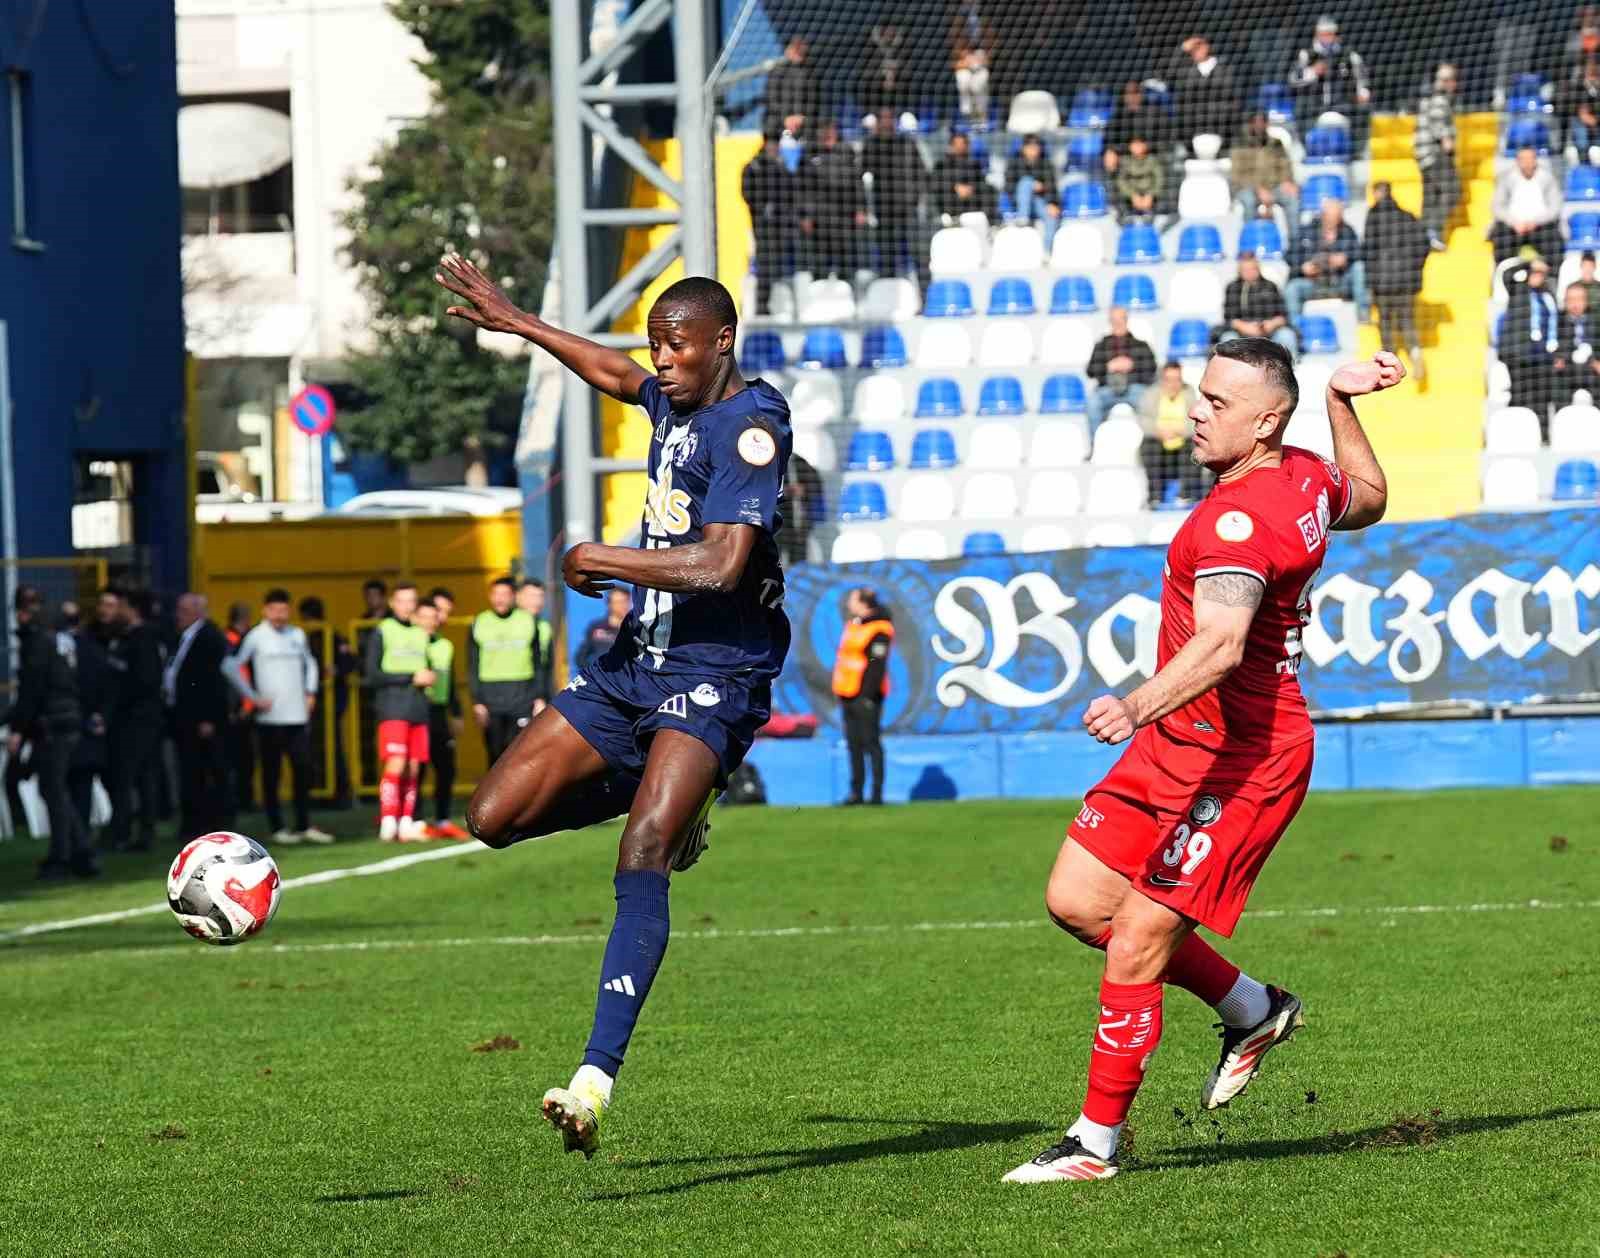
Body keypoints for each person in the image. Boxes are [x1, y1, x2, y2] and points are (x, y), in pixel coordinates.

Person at [1003, 339, 1402, 1185]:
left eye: (1217, 404)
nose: (1193, 409)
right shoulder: (1298, 475)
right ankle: (1254, 1008)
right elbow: (1365, 496)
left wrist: (1133, 703)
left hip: (1244, 760)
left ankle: (1093, 1146)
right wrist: (1341, 402)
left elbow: (1221, 646)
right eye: (1199, 394)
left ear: (1263, 420)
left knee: (1138, 941)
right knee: (1076, 901)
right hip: (1177, 747)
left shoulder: (1238, 518)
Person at [436, 255, 791, 1159]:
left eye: (676, 348)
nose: (660, 363)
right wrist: (519, 320)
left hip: (717, 669)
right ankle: (672, 802)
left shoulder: (750, 424)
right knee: (492, 816)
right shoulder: (671, 396)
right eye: (656, 348)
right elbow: (611, 372)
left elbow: (720, 565)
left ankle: (592, 1081)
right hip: (635, 666)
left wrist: (603, 560)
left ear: (722, 343)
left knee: (643, 854)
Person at [223, 588, 330, 845]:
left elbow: (311, 663)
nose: (280, 615)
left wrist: (310, 691)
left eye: (284, 610)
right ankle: (277, 826)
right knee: (271, 774)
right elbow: (230, 666)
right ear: (265, 611)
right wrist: (252, 696)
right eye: (275, 610)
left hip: (297, 716)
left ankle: (304, 824)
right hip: (269, 719)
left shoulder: (296, 634)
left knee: (302, 771)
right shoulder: (256, 637)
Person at [6, 597, 97, 878]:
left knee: (54, 790)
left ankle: (63, 857)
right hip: (67, 719)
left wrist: (18, 728)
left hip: (52, 724)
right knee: (56, 790)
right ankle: (80, 851)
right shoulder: (62, 641)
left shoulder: (38, 644)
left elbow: (32, 689)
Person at [364, 581, 434, 842]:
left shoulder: (421, 633)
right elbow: (371, 674)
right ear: (393, 603)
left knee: (414, 768)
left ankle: (406, 820)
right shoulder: (383, 630)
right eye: (402, 601)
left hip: (418, 707)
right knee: (397, 763)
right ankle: (388, 820)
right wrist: (409, 677)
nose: (407, 606)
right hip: (393, 706)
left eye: (411, 601)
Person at [165, 593, 232, 843]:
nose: (178, 614)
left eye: (183, 610)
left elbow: (211, 681)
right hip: (185, 716)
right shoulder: (185, 636)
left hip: (201, 719)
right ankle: (196, 822)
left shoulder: (209, 637)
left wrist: (208, 718)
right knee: (191, 771)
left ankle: (212, 823)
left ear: (198, 611)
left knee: (206, 769)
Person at [103, 587, 165, 851]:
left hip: (137, 720)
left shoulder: (142, 639)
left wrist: (120, 700)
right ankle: (136, 831)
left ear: (132, 608)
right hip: (137, 718)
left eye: (121, 606)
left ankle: (126, 832)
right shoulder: (127, 637)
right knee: (139, 777)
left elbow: (145, 681)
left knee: (129, 777)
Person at [470, 576, 542, 766]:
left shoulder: (528, 621)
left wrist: (539, 697)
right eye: (496, 594)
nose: (500, 599)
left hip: (521, 696)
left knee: (519, 752)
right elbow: (472, 664)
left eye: (505, 594)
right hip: (491, 698)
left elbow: (538, 663)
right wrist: (477, 701)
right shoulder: (479, 622)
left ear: (513, 597)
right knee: (494, 754)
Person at [832, 588, 892, 806]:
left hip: (866, 695)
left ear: (863, 603)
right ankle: (856, 792)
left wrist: (867, 695)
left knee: (871, 743)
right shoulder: (855, 624)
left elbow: (877, 664)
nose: (848, 603)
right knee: (853, 744)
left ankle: (876, 795)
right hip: (847, 691)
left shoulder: (880, 628)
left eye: (852, 599)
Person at [1365, 182, 1430, 383]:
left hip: (1383, 282)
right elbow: (1424, 245)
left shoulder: (1374, 217)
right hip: (1405, 281)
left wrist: (1371, 280)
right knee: (1406, 320)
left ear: (1377, 193)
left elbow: (1368, 250)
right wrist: (1414, 270)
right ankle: (1416, 355)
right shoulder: (1407, 216)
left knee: (1385, 322)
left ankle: (1387, 366)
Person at [416, 597, 468, 840]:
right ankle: (414, 821)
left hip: (438, 713)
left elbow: (450, 682)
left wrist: (456, 713)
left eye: (432, 617)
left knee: (446, 767)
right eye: (424, 617)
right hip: (415, 711)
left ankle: (442, 818)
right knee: (417, 769)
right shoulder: (411, 644)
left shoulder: (444, 645)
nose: (429, 622)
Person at [65, 600, 112, 850]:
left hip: (72, 730)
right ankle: (81, 842)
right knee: (81, 790)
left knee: (67, 791)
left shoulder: (62, 652)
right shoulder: (95, 652)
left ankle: (74, 844)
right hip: (89, 730)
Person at [299, 595, 353, 807]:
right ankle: (325, 793)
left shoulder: (329, 636)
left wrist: (335, 670)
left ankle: (336, 793)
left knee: (329, 748)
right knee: (320, 749)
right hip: (317, 703)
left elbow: (349, 661)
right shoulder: (317, 636)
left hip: (326, 703)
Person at [1289, 15, 1371, 152]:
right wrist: (1312, 72)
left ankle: (1357, 154)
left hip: (1343, 105)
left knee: (1363, 112)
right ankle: (1307, 153)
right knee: (1299, 111)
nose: (1327, 38)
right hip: (1314, 106)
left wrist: (1363, 93)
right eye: (1324, 34)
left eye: (1330, 34)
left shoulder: (1349, 55)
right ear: (1317, 34)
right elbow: (1292, 79)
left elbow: (1362, 79)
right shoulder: (1306, 54)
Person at [1500, 255, 1561, 428]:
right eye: (1535, 273)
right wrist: (1528, 263)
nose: (1538, 277)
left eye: (1541, 274)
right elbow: (1505, 274)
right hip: (1518, 354)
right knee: (1519, 395)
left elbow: (1554, 324)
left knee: (1541, 397)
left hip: (1541, 356)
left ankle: (1542, 435)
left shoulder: (1548, 295)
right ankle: (1512, 431)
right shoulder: (1517, 290)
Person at [1285, 198, 1369, 324]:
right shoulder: (1306, 231)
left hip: (1340, 282)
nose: (1337, 220)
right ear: (1323, 215)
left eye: (1338, 217)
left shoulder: (1347, 231)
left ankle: (1363, 316)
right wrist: (1303, 268)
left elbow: (1360, 252)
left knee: (1359, 267)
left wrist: (1345, 258)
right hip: (1313, 283)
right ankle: (1296, 327)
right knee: (1292, 288)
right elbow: (1289, 256)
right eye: (1333, 217)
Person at [801, 122, 867, 276]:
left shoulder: (847, 151)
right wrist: (805, 216)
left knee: (847, 265)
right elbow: (803, 188)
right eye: (824, 128)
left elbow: (857, 183)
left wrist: (860, 210)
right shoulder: (810, 153)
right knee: (820, 266)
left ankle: (848, 292)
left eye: (831, 128)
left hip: (844, 217)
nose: (828, 132)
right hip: (820, 220)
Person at [742, 130, 797, 315]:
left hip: (782, 227)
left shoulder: (781, 167)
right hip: (763, 228)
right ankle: (763, 307)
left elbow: (790, 193)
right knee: (765, 266)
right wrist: (765, 208)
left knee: (782, 267)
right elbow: (748, 195)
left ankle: (784, 308)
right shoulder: (754, 167)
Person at [1136, 362, 1204, 505]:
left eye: (1177, 379)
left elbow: (1196, 421)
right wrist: (1159, 432)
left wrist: (1179, 431)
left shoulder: (1188, 393)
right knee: (1149, 446)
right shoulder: (1151, 394)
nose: (1173, 384)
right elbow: (1143, 419)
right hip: (1159, 441)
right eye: (1169, 380)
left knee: (1195, 446)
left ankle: (1187, 494)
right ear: (1162, 380)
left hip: (1182, 441)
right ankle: (1155, 496)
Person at [1489, 148, 1565, 266]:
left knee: (1555, 245)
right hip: (1513, 227)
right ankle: (1503, 278)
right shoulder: (1506, 178)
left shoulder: (1547, 178)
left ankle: (1552, 278)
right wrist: (1513, 222)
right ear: (1517, 161)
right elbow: (1497, 206)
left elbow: (1555, 207)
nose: (1527, 162)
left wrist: (1536, 222)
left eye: (1530, 159)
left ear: (1535, 160)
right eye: (1523, 159)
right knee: (1501, 243)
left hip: (1540, 226)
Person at [1087, 307, 1158, 429]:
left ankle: (1148, 443)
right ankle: (1096, 444)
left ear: (1126, 320)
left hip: (1134, 388)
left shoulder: (1141, 345)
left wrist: (1133, 365)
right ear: (1110, 321)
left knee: (1148, 402)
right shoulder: (1101, 346)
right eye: (1114, 320)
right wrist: (1108, 366)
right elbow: (1090, 371)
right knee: (1092, 403)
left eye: (1121, 319)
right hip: (1107, 389)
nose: (1118, 323)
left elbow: (1152, 369)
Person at [1415, 64, 1460, 252]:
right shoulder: (1440, 99)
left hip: (1422, 155)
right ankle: (1433, 230)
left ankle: (1426, 233)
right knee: (1452, 190)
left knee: (1431, 195)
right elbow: (1437, 122)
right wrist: (1446, 141)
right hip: (1434, 153)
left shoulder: (1428, 98)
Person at [1170, 34, 1238, 153]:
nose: (1196, 50)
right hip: (1192, 133)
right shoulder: (1186, 71)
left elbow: (1229, 95)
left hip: (1221, 132)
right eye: (1193, 47)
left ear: (1207, 46)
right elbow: (1169, 75)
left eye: (1199, 45)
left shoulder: (1225, 69)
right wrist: (1182, 49)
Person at [1221, 253, 1297, 354]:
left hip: (1269, 331)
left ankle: (1290, 367)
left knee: (1287, 335)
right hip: (1242, 332)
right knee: (1228, 337)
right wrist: (1244, 326)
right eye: (1245, 270)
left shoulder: (1271, 286)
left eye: (1253, 269)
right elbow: (1229, 319)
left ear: (1258, 269)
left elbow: (1283, 316)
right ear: (1239, 271)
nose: (1249, 272)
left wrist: (1271, 324)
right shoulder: (1232, 288)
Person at [1230, 112, 1297, 225]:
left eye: (1262, 122)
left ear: (1267, 124)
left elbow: (1285, 166)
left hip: (1274, 187)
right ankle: (1250, 237)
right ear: (1250, 124)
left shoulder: (1276, 143)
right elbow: (1237, 176)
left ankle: (1294, 241)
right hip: (1247, 188)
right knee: (1249, 201)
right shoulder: (1240, 145)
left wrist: (1287, 181)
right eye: (1256, 122)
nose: (1259, 125)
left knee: (1292, 200)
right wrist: (1258, 189)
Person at [224, 600, 257, 816]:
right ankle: (241, 799)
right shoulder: (235, 642)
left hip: (240, 707)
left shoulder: (232, 639)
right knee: (241, 759)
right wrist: (246, 704)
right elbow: (240, 675)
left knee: (243, 758)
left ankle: (242, 798)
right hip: (239, 709)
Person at [932, 130, 994, 224]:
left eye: (963, 143)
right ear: (951, 145)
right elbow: (935, 185)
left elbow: (982, 183)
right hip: (950, 203)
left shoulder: (974, 165)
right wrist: (955, 187)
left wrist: (971, 189)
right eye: (957, 144)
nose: (960, 147)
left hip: (971, 203)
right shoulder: (941, 165)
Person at [764, 36, 818, 141]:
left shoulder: (810, 72)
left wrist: (801, 118)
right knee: (772, 127)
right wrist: (786, 118)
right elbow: (771, 99)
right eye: (794, 49)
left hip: (803, 121)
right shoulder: (777, 72)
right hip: (781, 121)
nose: (798, 52)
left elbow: (814, 99)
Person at [1011, 134, 1060, 249]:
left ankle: (1046, 252)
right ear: (1023, 148)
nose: (1033, 149)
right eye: (1030, 146)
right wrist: (1031, 185)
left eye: (1036, 146)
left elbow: (1052, 187)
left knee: (1052, 217)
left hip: (1039, 202)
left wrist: (1052, 203)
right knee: (1026, 182)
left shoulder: (1046, 164)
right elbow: (1009, 186)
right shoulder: (1014, 163)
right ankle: (1023, 219)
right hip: (1019, 203)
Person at [1556, 283, 1600, 404]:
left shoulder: (1595, 321)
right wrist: (1558, 358)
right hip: (1567, 369)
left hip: (1592, 369)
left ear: (1586, 301)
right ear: (1565, 302)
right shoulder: (1558, 321)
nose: (1575, 304)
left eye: (1579, 299)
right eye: (1571, 299)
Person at [950, 3, 994, 124]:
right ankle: (966, 115)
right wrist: (964, 60)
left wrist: (983, 60)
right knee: (963, 80)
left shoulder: (985, 19)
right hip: (964, 60)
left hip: (980, 58)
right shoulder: (957, 22)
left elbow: (991, 46)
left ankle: (981, 117)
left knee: (978, 85)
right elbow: (954, 61)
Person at [516, 579, 556, 710]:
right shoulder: (508, 626)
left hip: (540, 698)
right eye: (532, 596)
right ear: (518, 597)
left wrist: (545, 697)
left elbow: (548, 667)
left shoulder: (544, 627)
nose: (537, 601)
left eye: (541, 596)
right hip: (514, 697)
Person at [1104, 81, 1158, 175]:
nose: (1132, 97)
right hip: (1126, 163)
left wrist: (1146, 146)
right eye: (1129, 93)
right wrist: (1123, 148)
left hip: (1151, 162)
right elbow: (1108, 142)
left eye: (1136, 92)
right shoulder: (1117, 116)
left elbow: (1167, 141)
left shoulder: (1155, 114)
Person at [577, 587, 632, 673]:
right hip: (602, 680)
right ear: (609, 604)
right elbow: (581, 657)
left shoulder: (635, 628)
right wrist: (593, 674)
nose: (623, 606)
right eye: (619, 602)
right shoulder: (597, 627)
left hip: (627, 682)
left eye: (626, 601)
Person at [1113, 133, 1163, 222]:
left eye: (1139, 144)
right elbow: (1121, 180)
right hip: (1130, 196)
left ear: (1145, 146)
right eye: (1133, 144)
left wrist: (1151, 194)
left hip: (1149, 195)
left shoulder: (1152, 160)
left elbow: (1159, 178)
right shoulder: (1125, 161)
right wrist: (1132, 194)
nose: (1136, 147)